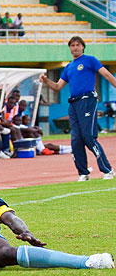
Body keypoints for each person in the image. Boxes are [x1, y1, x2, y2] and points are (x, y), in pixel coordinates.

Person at [40, 36, 116, 181]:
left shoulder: (90, 60)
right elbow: (57, 86)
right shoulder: (69, 67)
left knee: (88, 136)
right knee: (76, 139)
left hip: (87, 100)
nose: (75, 47)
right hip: (73, 104)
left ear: (82, 47)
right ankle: (83, 173)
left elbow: (106, 75)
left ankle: (108, 170)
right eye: (72, 45)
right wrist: (46, 80)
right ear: (69, 48)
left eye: (77, 45)